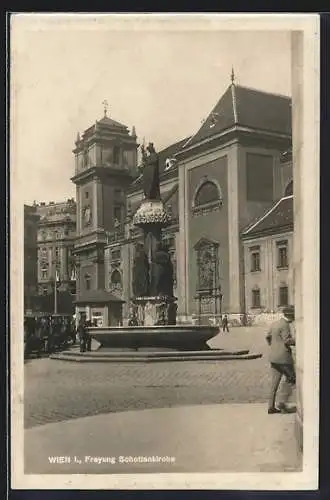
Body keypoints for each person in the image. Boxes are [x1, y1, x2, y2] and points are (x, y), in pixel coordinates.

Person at [266, 305, 296, 414]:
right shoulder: (285, 325)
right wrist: (299, 340)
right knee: (292, 378)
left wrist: (274, 346)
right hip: (284, 358)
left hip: (273, 357)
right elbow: (287, 340)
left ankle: (271, 406)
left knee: (274, 383)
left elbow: (267, 337)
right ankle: (282, 404)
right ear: (291, 316)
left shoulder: (275, 323)